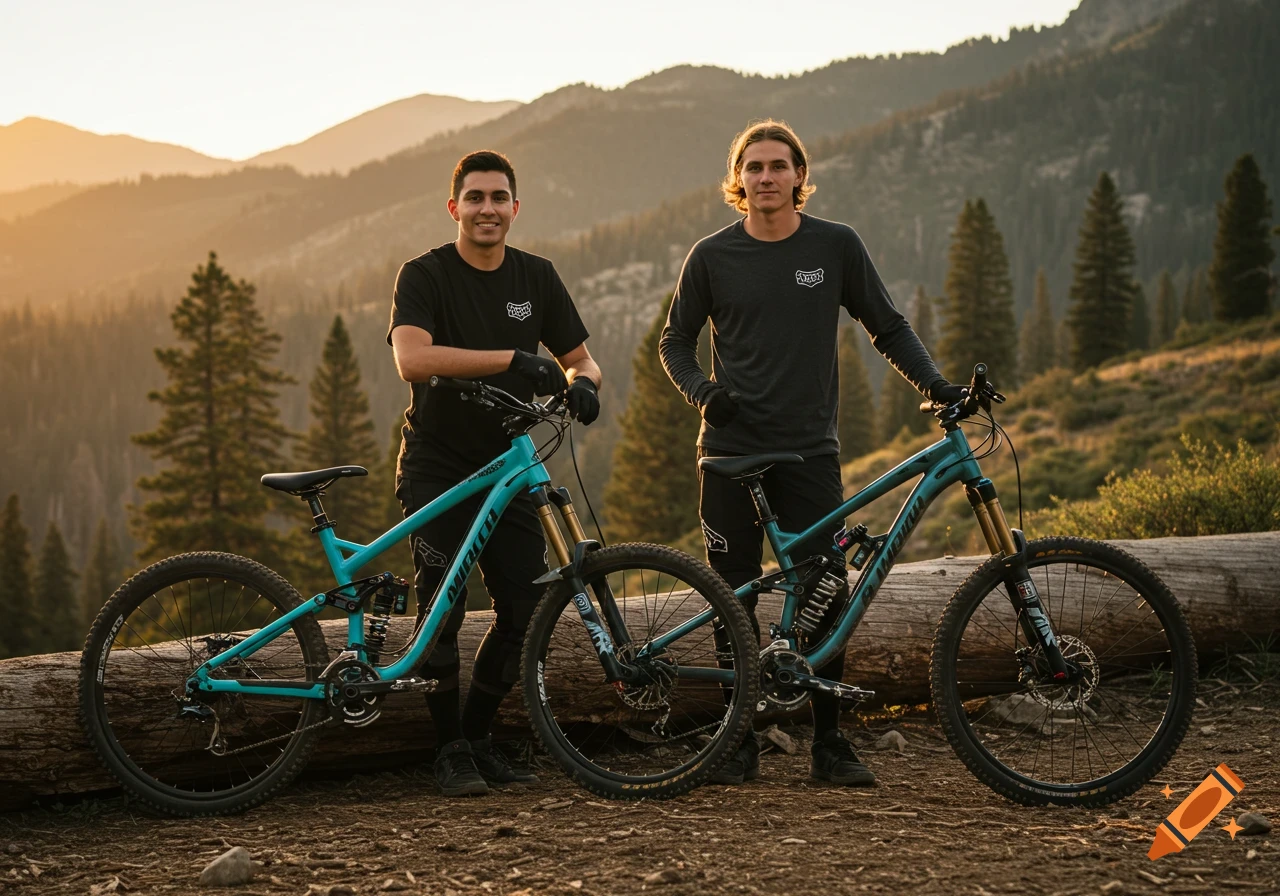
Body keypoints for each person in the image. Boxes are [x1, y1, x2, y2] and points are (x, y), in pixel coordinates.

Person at [659, 120, 964, 787]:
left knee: (825, 590)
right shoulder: (711, 255)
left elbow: (886, 326)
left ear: (800, 175)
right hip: (729, 454)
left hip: (808, 452)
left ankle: (831, 744)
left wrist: (938, 388)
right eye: (753, 167)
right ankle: (734, 742)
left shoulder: (834, 245)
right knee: (731, 596)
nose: (765, 177)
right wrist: (704, 393)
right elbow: (674, 344)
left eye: (778, 166)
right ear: (737, 181)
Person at [387, 149, 603, 796]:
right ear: (454, 208)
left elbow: (581, 361)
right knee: (442, 607)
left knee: (524, 607)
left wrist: (584, 385)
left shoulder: (536, 278)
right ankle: (448, 748)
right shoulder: (425, 275)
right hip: (438, 464)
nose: (487, 209)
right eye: (475, 198)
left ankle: (478, 737)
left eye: (498, 198)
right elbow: (412, 360)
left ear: (515, 208)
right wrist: (510, 357)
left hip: (510, 466)